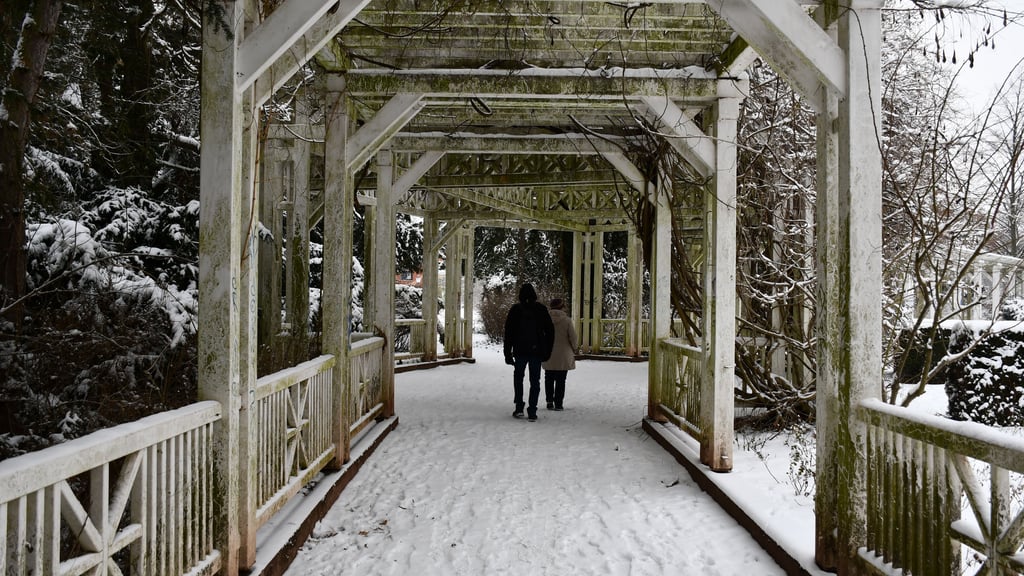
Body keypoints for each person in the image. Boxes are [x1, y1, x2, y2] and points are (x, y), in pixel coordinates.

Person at [503, 283, 554, 421]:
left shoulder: (515, 310)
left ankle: (519, 407)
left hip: (519, 351)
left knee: (518, 379)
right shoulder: (541, 309)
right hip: (536, 351)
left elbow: (508, 333)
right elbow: (550, 331)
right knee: (535, 381)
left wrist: (507, 353)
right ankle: (532, 410)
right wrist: (547, 351)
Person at [542, 297, 577, 411]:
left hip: (548, 352)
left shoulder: (544, 319)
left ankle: (549, 401)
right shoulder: (567, 320)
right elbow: (573, 337)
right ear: (562, 307)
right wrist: (575, 348)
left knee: (548, 378)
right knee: (561, 380)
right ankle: (558, 403)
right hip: (563, 353)